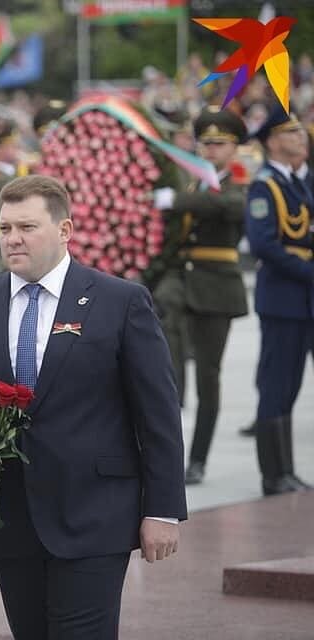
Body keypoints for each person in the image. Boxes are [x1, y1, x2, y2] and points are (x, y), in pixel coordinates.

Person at [0, 175, 187, 640]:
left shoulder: (119, 302)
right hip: (10, 516)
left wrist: (162, 510)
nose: (13, 239)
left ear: (65, 230)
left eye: (27, 226)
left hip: (94, 514)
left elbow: (158, 413)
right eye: (5, 228)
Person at [151, 107, 250, 485]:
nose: (210, 150)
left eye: (219, 144)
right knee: (168, 365)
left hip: (217, 287)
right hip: (183, 281)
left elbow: (230, 206)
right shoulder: (194, 183)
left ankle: (198, 459)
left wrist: (175, 201)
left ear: (235, 147)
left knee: (209, 376)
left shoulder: (238, 179)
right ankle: (171, 440)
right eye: (206, 143)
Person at [243, 109, 313, 495]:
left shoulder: (300, 184)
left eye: (300, 131)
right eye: (291, 132)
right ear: (271, 141)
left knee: (291, 387)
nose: (300, 137)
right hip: (282, 299)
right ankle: (273, 474)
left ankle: (286, 470)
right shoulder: (264, 187)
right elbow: (264, 244)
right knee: (276, 385)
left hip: (303, 301)